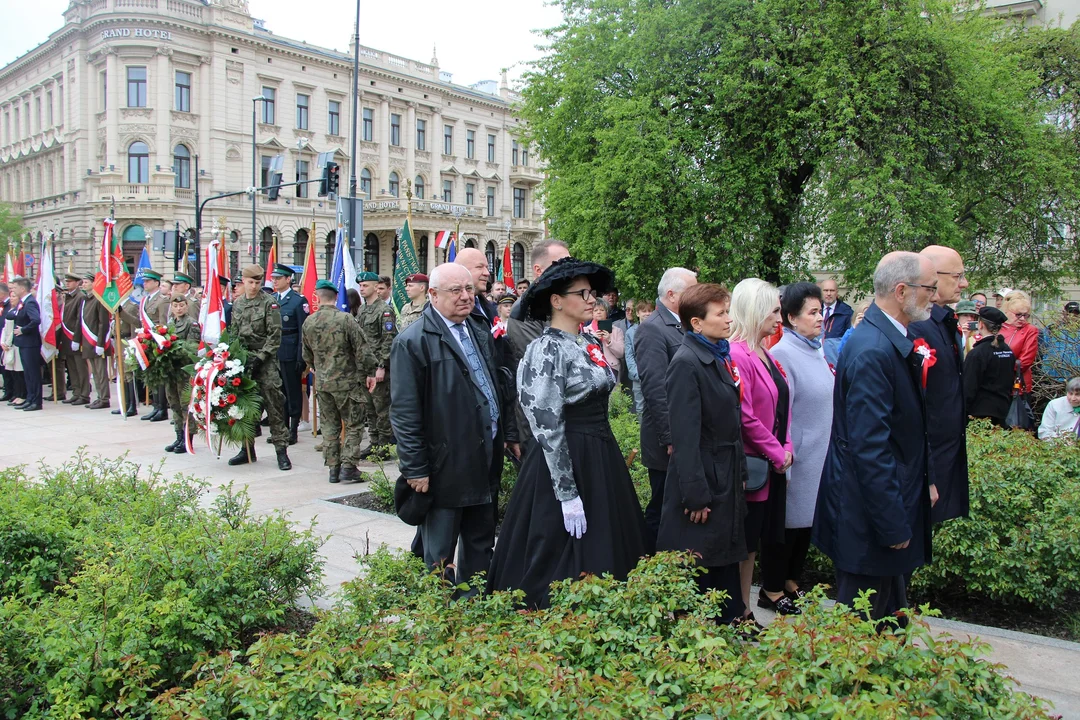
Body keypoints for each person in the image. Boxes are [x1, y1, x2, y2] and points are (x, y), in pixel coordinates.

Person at [487, 257, 650, 608]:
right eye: (583, 293)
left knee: (610, 540)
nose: (593, 300)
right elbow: (546, 423)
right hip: (564, 458)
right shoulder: (546, 349)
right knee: (557, 547)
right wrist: (566, 490)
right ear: (557, 301)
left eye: (593, 293)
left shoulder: (586, 341)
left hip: (600, 455)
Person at [813, 251, 937, 622]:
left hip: (879, 510)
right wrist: (892, 522)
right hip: (869, 519)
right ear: (902, 291)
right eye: (929, 287)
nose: (934, 295)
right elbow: (869, 447)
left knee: (889, 620)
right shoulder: (873, 350)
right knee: (860, 632)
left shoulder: (884, 340)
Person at [392, 263, 509, 594]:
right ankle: (442, 618)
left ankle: (475, 608)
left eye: (469, 289)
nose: (465, 297)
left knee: (480, 541)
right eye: (455, 291)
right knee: (440, 552)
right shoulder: (413, 341)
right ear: (433, 295)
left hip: (483, 457)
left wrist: (506, 433)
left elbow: (495, 387)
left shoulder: (477, 331)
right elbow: (404, 411)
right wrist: (415, 468)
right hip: (444, 465)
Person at [656, 283, 747, 624]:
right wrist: (695, 494)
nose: (728, 319)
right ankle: (699, 632)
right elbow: (684, 435)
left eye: (728, 311)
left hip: (723, 470)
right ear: (696, 323)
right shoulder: (687, 362)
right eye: (721, 313)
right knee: (700, 558)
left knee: (722, 554)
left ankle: (730, 618)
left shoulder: (716, 354)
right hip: (705, 477)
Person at [728, 279, 794, 620]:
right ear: (756, 311)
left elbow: (783, 403)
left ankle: (746, 609)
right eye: (774, 310)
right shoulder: (739, 354)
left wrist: (787, 445)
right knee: (746, 545)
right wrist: (777, 451)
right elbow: (746, 416)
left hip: (772, 463)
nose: (780, 318)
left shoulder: (763, 352)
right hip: (756, 465)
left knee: (755, 545)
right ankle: (741, 612)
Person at [769, 281, 834, 609]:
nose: (820, 317)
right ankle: (775, 585)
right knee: (788, 524)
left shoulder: (816, 349)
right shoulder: (783, 353)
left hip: (820, 452)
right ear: (792, 318)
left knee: (806, 523)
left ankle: (792, 578)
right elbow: (783, 408)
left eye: (820, 310)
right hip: (799, 454)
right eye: (812, 312)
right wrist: (788, 452)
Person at [637, 267, 698, 542]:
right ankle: (651, 566)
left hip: (685, 433)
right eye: (691, 290)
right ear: (672, 295)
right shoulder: (653, 329)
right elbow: (655, 388)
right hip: (667, 441)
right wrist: (670, 437)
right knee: (663, 507)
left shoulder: (682, 323)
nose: (696, 295)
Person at [909, 245, 968, 524]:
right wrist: (927, 472)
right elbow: (916, 404)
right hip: (927, 457)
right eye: (957, 276)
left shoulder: (944, 321)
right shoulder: (917, 326)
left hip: (945, 453)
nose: (964, 283)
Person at [303, 280, 373, 483]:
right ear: (335, 297)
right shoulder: (346, 319)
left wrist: (317, 368)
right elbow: (362, 348)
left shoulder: (309, 322)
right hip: (347, 383)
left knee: (329, 426)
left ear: (318, 297)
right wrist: (371, 371)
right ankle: (349, 467)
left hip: (323, 383)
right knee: (354, 424)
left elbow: (306, 355)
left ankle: (333, 468)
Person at [506, 240, 571, 450]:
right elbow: (549, 364)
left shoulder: (558, 303)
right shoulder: (524, 311)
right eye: (560, 264)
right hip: (539, 422)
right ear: (538, 270)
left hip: (566, 417)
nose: (567, 271)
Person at [228, 264, 292, 470]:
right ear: (243, 282)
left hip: (266, 363)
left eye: (257, 282)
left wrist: (261, 357)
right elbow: (233, 333)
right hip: (243, 362)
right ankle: (247, 450)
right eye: (250, 282)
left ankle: (281, 452)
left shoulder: (270, 304)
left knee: (274, 408)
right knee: (245, 408)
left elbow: (275, 336)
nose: (254, 286)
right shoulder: (237, 304)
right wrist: (232, 357)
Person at [356, 271, 397, 458]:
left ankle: (384, 445)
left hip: (378, 367)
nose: (362, 289)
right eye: (360, 286)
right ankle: (373, 443)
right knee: (369, 408)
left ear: (375, 287)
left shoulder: (385, 310)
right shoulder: (362, 310)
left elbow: (388, 339)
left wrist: (382, 366)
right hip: (364, 366)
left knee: (382, 409)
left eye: (365, 285)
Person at [268, 264, 308, 446]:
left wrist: (302, 356)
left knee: (292, 392)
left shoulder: (298, 301)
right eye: (273, 278)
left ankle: (293, 429)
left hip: (291, 352)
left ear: (288, 279)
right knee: (278, 393)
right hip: (275, 351)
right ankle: (281, 429)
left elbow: (303, 331)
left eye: (278, 278)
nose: (274, 281)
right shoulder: (272, 298)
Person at [962, 307, 1016, 427]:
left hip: (980, 412)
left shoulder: (978, 353)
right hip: (1002, 409)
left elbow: (968, 386)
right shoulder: (1007, 350)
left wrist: (963, 410)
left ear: (980, 324)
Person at [163, 294, 201, 453]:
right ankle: (179, 436)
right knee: (174, 404)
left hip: (185, 371)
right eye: (175, 306)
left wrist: (176, 351)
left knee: (186, 405)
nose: (178, 309)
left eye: (182, 306)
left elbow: (192, 347)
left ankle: (188, 439)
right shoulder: (170, 323)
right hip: (172, 371)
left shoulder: (191, 324)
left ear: (186, 306)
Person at [131, 269, 171, 421]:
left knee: (159, 376)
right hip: (147, 342)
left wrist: (160, 340)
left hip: (157, 342)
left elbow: (163, 324)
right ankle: (156, 406)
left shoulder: (162, 300)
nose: (145, 284)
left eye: (148, 281)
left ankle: (162, 407)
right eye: (144, 281)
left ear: (156, 283)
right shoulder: (145, 300)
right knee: (152, 375)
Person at [56, 273, 90, 406]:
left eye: (70, 281)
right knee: (71, 367)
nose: (67, 283)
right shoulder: (69, 296)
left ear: (77, 283)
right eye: (66, 281)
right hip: (67, 337)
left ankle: (84, 394)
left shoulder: (80, 297)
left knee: (80, 368)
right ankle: (76, 393)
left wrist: (76, 338)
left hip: (75, 337)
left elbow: (78, 319)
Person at [9, 277, 42, 411]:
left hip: (30, 343)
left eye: (15, 287)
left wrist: (23, 330)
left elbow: (36, 320)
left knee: (33, 373)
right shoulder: (23, 302)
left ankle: (36, 401)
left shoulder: (30, 302)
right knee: (27, 373)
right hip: (23, 343)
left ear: (22, 289)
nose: (13, 290)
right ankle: (30, 398)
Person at [79, 273, 111, 409]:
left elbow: (103, 323)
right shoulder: (86, 299)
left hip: (97, 341)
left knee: (100, 371)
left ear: (94, 283)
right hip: (88, 341)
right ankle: (99, 397)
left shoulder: (99, 299)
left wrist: (100, 343)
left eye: (86, 282)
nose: (83, 284)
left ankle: (104, 398)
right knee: (96, 373)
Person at [1000, 290, 1039, 399]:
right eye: (1018, 315)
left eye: (1025, 315)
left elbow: (1025, 361)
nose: (1022, 319)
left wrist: (997, 369)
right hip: (995, 385)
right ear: (1007, 311)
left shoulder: (1030, 330)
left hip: (1017, 386)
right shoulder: (998, 327)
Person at [624, 300, 654, 416]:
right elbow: (629, 356)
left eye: (650, 311)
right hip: (638, 378)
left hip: (656, 376)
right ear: (637, 313)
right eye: (644, 311)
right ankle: (643, 434)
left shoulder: (658, 329)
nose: (647, 314)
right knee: (641, 409)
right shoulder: (630, 333)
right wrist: (638, 374)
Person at [584, 298, 624, 374]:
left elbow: (621, 354)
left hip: (612, 369)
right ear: (592, 313)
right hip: (593, 370)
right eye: (595, 310)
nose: (598, 312)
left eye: (602, 310)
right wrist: (594, 339)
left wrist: (609, 341)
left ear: (607, 312)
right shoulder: (585, 330)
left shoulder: (616, 330)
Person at [1, 284, 25, 406]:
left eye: (14, 296)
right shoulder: (11, 310)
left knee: (19, 371)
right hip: (7, 344)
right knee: (11, 371)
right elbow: (5, 328)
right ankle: (15, 393)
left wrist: (8, 342)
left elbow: (14, 329)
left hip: (14, 343)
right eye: (10, 296)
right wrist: (2, 342)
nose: (11, 298)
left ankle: (21, 394)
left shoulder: (18, 311)